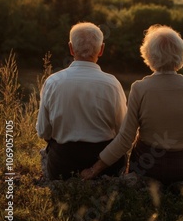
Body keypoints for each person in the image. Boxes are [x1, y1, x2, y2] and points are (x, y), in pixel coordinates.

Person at [81, 24, 183, 184]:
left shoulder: (140, 88)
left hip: (151, 168)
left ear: (148, 55)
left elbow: (126, 139)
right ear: (181, 53)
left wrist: (94, 169)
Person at [36, 22, 127, 180]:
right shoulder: (113, 84)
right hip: (106, 166)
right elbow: (122, 132)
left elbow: (43, 131)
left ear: (71, 48)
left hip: (63, 166)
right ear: (101, 50)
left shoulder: (52, 82)